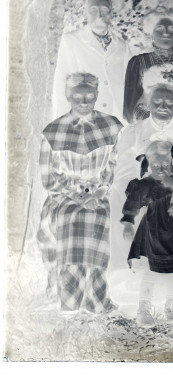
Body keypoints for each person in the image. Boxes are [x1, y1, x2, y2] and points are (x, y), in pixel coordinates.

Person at [37, 73, 123, 312]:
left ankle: (98, 298)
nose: (84, 101)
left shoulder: (112, 126)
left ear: (96, 95)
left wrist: (100, 191)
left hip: (101, 192)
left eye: (89, 95)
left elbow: (117, 164)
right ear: (68, 96)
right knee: (71, 219)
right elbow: (48, 178)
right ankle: (71, 298)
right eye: (77, 95)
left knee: (102, 218)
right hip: (64, 196)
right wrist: (77, 195)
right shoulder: (53, 131)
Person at [110, 64, 173, 276]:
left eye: (170, 102)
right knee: (117, 199)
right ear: (148, 102)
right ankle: (132, 273)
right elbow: (125, 172)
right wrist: (143, 195)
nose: (164, 106)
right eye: (158, 101)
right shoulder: (134, 131)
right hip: (143, 192)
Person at [121, 141, 173, 325]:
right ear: (148, 164)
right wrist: (128, 223)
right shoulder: (145, 184)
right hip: (151, 232)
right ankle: (144, 306)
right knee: (151, 270)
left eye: (165, 165)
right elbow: (132, 202)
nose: (161, 169)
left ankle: (170, 305)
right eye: (155, 165)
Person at [52, 0, 132, 120]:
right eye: (93, 10)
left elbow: (131, 86)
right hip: (83, 116)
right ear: (85, 14)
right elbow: (61, 85)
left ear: (111, 14)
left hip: (116, 118)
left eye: (104, 10)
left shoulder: (122, 46)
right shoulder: (70, 41)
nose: (99, 16)